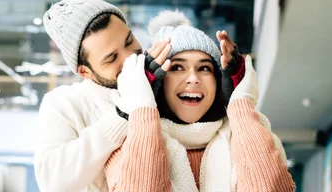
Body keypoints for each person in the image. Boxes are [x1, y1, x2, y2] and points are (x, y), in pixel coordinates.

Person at [35, 1, 242, 191]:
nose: (130, 57)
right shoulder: (64, 103)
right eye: (112, 58)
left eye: (128, 40)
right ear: (85, 72)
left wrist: (229, 91)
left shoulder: (157, 74)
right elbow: (52, 181)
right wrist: (124, 113)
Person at [103, 11, 296, 191]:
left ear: (219, 83)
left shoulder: (255, 135)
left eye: (204, 68)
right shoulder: (124, 146)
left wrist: (241, 103)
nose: (193, 78)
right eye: (177, 68)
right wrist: (143, 109)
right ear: (158, 82)